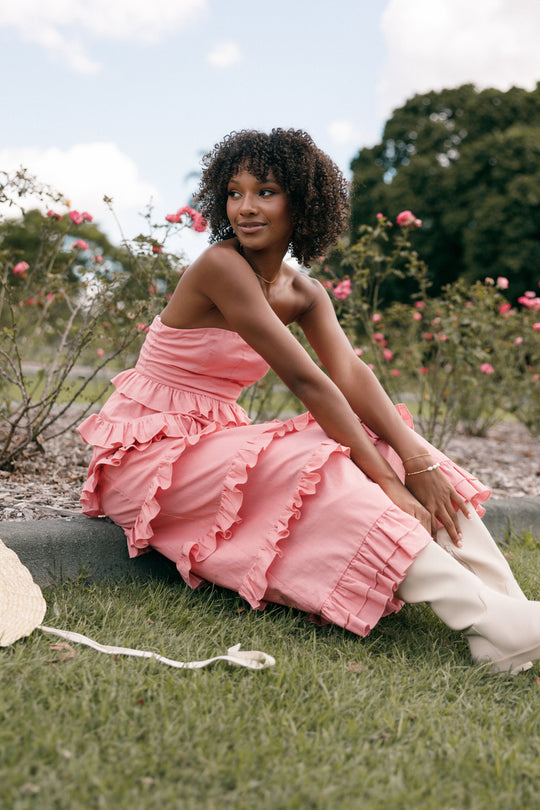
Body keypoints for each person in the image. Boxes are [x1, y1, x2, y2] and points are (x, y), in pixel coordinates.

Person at [78, 128, 540, 675]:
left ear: (303, 201)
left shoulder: (304, 292)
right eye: (234, 192)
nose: (245, 207)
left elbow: (351, 373)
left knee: (396, 447)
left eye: (265, 192)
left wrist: (416, 462)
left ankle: (510, 615)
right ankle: (491, 619)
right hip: (152, 457)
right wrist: (391, 486)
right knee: (323, 464)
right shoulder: (220, 267)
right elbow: (311, 382)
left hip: (211, 439)